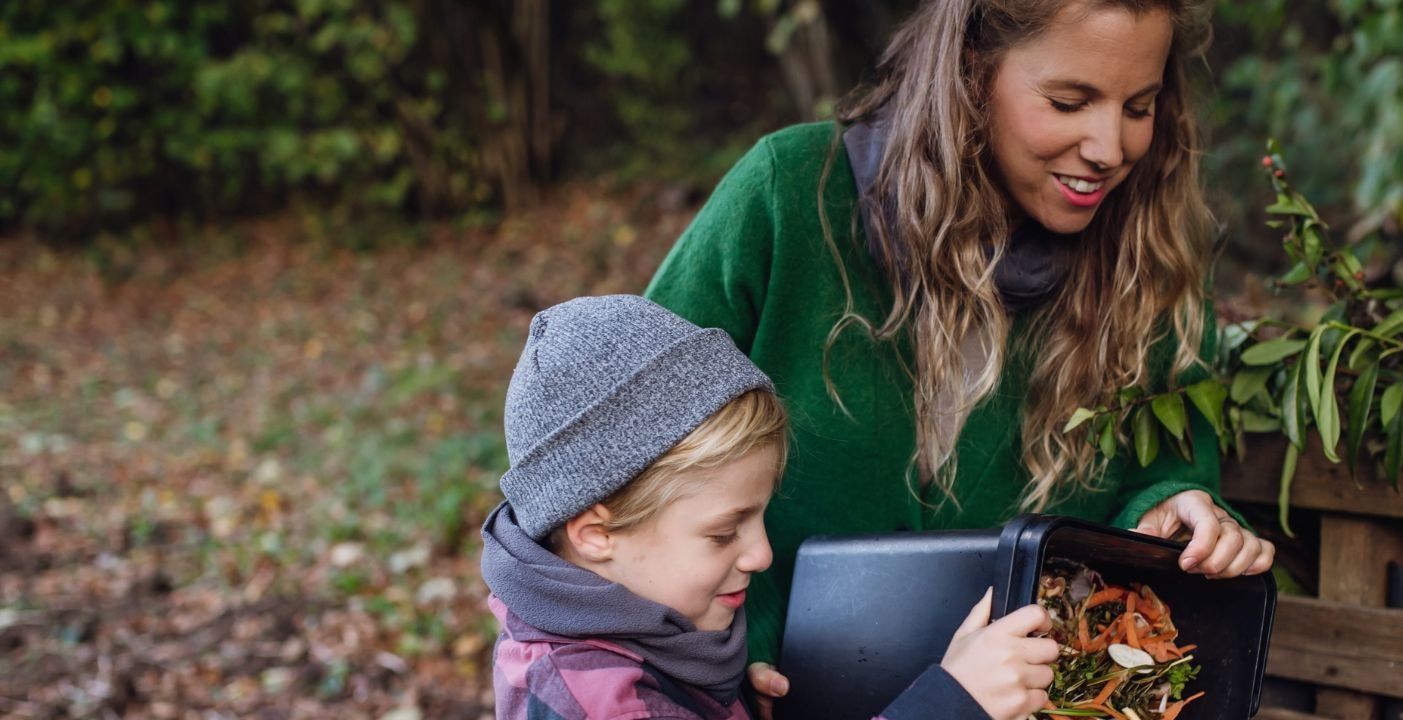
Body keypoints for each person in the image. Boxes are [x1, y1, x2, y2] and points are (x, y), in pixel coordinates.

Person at [646, 0, 1276, 716]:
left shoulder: (1147, 260)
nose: (1109, 147)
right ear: (970, 75)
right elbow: (634, 446)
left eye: (1140, 106)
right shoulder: (790, 196)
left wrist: (1176, 509)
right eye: (1070, 101)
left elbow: (1167, 471)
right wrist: (728, 639)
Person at [480, 295, 1056, 720]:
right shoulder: (603, 704)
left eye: (758, 517)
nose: (760, 553)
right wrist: (952, 705)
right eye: (722, 533)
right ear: (596, 533)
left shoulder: (632, 627)